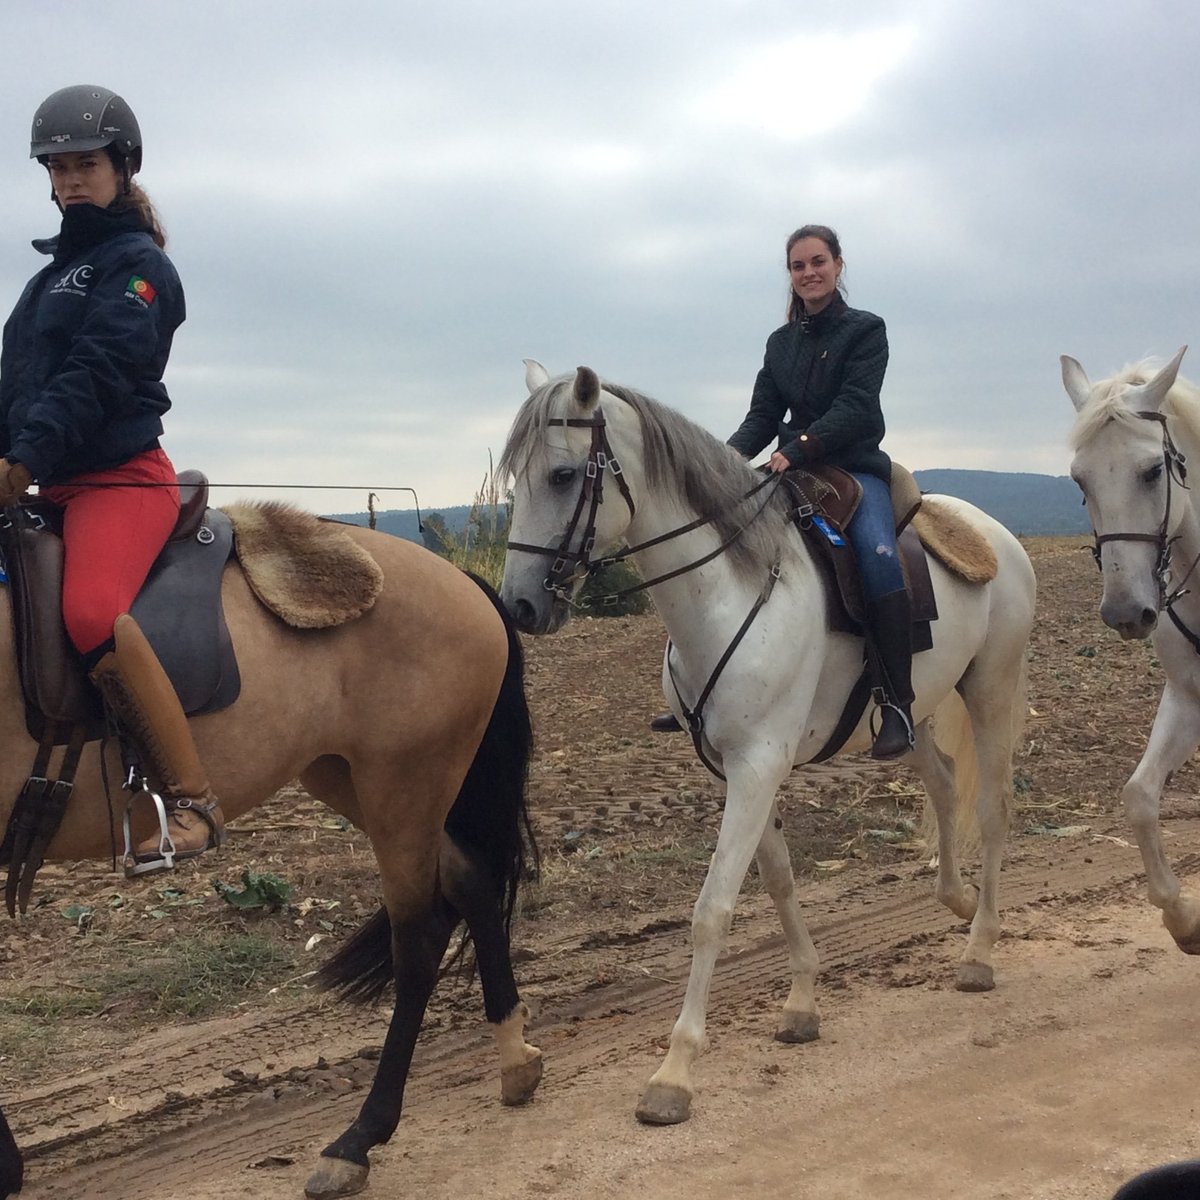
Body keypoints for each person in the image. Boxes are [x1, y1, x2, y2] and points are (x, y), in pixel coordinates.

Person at [0, 84, 224, 872]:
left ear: (122, 167)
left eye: (84, 165)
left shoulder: (140, 269)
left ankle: (191, 799)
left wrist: (26, 458)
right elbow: (18, 390)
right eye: (56, 168)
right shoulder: (43, 283)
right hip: (48, 483)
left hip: (120, 480)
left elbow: (98, 374)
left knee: (94, 610)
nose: (68, 181)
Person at [651, 224, 913, 759]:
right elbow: (763, 416)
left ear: (839, 265)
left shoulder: (866, 330)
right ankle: (701, 693)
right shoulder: (780, 343)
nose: (809, 273)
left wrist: (799, 448)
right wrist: (717, 466)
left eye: (818, 261)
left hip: (852, 472)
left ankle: (898, 704)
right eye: (798, 266)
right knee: (722, 551)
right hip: (790, 471)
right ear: (790, 276)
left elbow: (857, 407)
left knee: (880, 559)